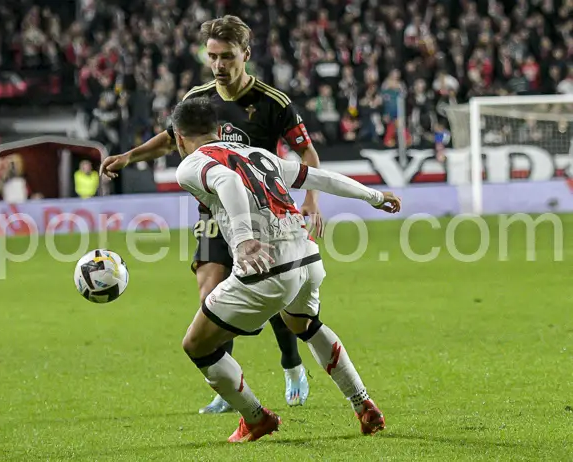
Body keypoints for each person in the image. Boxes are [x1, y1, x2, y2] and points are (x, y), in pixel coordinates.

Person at [101, 15, 323, 413]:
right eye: (213, 56)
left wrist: (312, 200)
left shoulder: (273, 103)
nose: (219, 65)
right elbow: (172, 140)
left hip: (261, 217)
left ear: (246, 55)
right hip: (213, 213)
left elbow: (306, 152)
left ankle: (291, 364)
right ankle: (228, 387)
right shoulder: (199, 98)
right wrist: (130, 155)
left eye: (227, 57)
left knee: (270, 296)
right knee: (210, 296)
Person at [170, 97, 400, 442]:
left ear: (177, 137)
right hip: (306, 256)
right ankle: (362, 402)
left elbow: (228, 183)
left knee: (196, 345)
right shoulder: (256, 155)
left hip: (268, 266)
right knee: (304, 324)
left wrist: (245, 238)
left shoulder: (190, 164)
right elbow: (318, 177)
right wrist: (374, 197)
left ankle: (255, 418)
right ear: (219, 131)